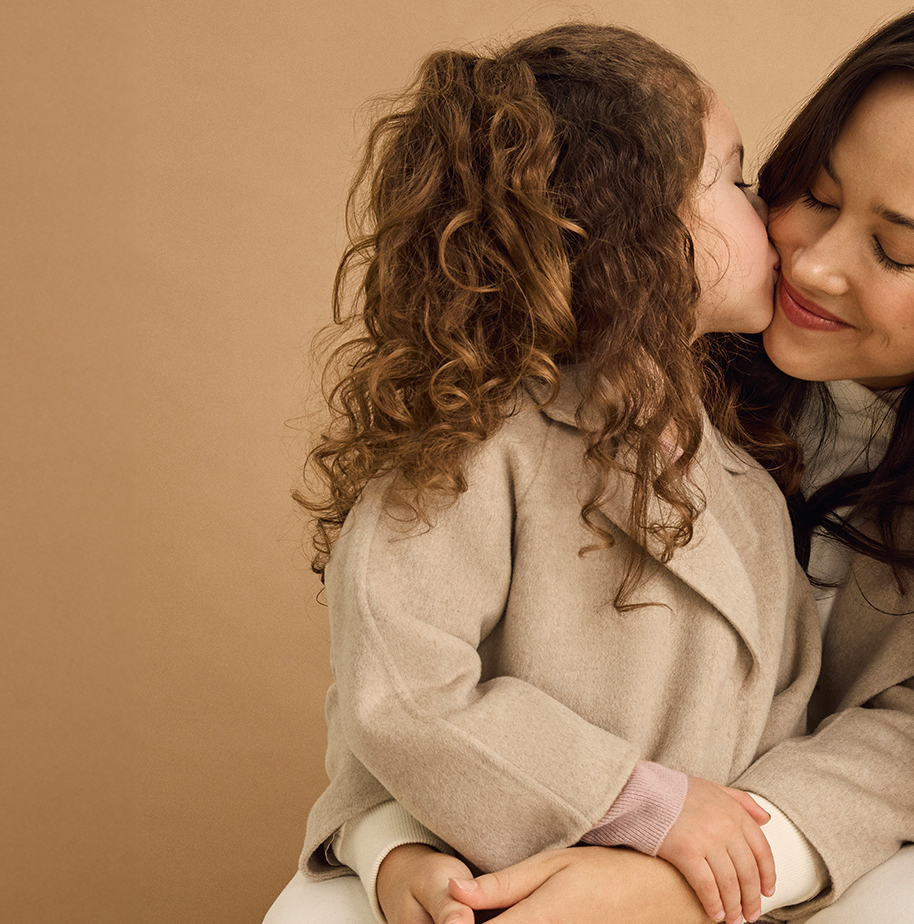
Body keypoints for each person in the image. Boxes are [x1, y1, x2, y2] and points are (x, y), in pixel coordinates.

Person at [336, 0, 914, 922]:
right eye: (811, 192)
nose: (811, 265)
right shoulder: (615, 355)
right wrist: (390, 845)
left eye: (894, 252)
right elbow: (399, 665)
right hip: (511, 839)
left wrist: (691, 873)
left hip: (818, 854)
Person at [262, 23, 830, 924]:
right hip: (511, 890)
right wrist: (644, 805)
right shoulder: (473, 442)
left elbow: (787, 707)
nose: (766, 210)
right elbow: (398, 695)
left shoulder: (744, 480)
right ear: (635, 226)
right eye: (731, 175)